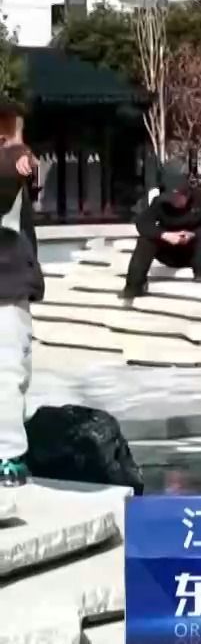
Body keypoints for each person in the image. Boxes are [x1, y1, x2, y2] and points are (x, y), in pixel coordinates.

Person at [0, 108, 40, 488]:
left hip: (13, 285)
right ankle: (8, 457)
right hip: (5, 290)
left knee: (16, 374)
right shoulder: (9, 164)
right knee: (9, 374)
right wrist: (17, 156)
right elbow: (9, 164)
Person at [122, 162, 201, 300]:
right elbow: (143, 223)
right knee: (145, 240)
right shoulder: (160, 203)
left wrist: (193, 234)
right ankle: (133, 286)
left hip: (196, 251)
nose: (175, 202)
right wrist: (165, 235)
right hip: (171, 249)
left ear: (186, 193)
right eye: (171, 198)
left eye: (178, 198)